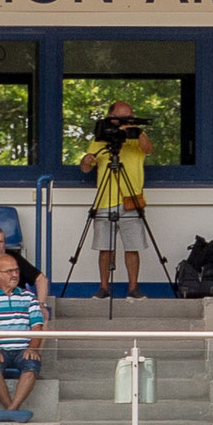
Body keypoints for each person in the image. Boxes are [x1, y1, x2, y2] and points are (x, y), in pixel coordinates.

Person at [79, 100, 155, 298]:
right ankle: (104, 287)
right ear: (110, 116)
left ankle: (133, 288)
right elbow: (86, 167)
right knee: (105, 248)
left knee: (133, 247)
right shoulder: (100, 138)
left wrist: (135, 131)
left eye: (128, 117)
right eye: (120, 117)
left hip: (131, 200)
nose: (123, 121)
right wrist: (86, 160)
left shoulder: (136, 136)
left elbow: (148, 149)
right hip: (105, 199)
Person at [0, 255, 45, 410]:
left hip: (24, 349)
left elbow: (37, 328)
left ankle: (11, 409)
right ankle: (12, 409)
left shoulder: (29, 296)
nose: (15, 274)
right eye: (10, 271)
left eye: (17, 270)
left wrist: (32, 348)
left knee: (31, 369)